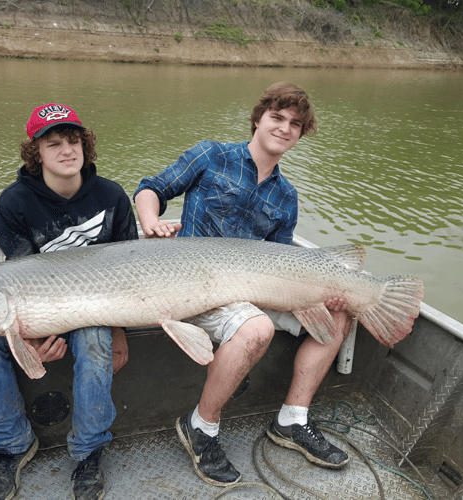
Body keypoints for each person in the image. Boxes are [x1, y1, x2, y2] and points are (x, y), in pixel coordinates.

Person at [133, 82, 351, 486]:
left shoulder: (287, 196)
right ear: (258, 119)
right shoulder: (211, 155)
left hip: (252, 289)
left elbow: (280, 260)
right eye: (277, 118)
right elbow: (151, 189)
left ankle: (292, 419)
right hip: (195, 286)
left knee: (337, 315)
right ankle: (202, 426)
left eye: (296, 124)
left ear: (301, 135)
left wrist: (318, 295)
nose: (285, 128)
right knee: (257, 327)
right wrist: (150, 223)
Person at [0, 103, 138, 500]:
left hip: (98, 308)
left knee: (95, 338)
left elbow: (133, 274)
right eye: (54, 142)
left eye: (74, 140)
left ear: (86, 145)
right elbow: (20, 283)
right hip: (35, 306)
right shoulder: (14, 204)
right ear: (36, 152)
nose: (67, 150)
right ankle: (11, 445)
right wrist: (28, 341)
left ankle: (89, 451)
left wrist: (120, 332)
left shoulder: (112, 196)